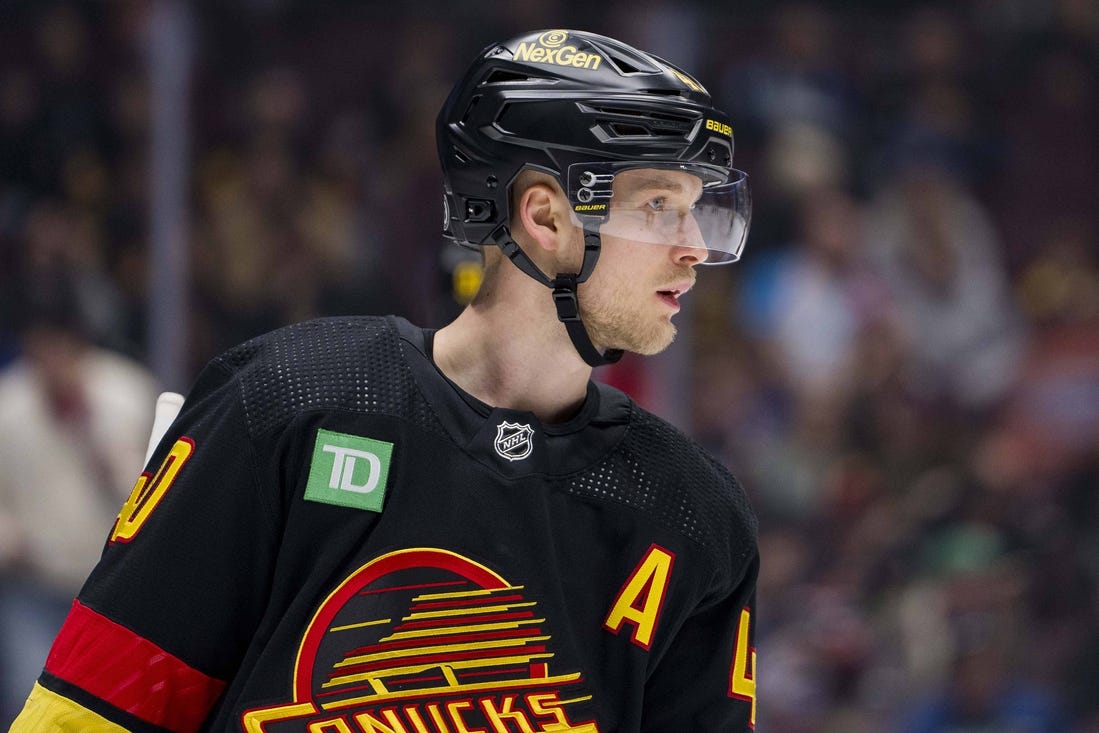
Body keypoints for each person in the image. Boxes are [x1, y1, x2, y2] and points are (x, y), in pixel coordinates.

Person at [11, 29, 758, 732]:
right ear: (544, 216)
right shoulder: (284, 402)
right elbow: (90, 710)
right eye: (659, 206)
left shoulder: (692, 513)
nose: (692, 247)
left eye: (695, 211)